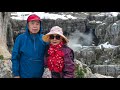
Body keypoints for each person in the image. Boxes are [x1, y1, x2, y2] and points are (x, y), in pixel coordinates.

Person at [11, 14, 47, 78]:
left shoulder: (44, 39)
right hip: (24, 75)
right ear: (28, 25)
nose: (35, 26)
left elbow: (51, 53)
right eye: (32, 23)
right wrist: (16, 74)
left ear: (40, 25)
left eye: (37, 24)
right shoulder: (20, 38)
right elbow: (15, 57)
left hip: (40, 74)